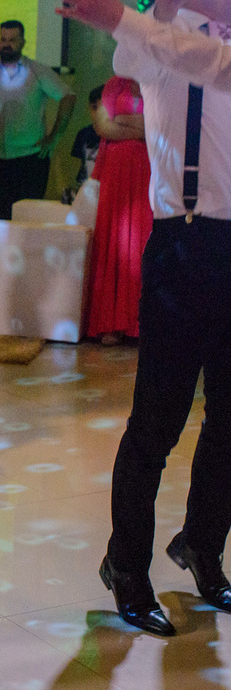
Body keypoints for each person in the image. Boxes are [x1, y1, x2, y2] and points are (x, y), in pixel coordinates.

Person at [58, 0, 231, 635]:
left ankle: (203, 546)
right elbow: (148, 49)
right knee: (157, 422)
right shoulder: (158, 39)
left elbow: (215, 64)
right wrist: (140, 14)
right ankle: (126, 567)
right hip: (183, 246)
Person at [0, 20, 77, 219]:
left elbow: (68, 96)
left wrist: (54, 136)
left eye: (12, 40)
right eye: (3, 39)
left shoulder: (36, 70)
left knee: (26, 220)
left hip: (31, 161)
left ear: (23, 42)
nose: (6, 44)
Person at [84, 76, 151, 346]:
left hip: (148, 169)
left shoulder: (159, 81)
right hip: (116, 171)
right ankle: (112, 323)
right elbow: (102, 125)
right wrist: (139, 128)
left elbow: (159, 129)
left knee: (142, 241)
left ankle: (140, 323)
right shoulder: (114, 84)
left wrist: (121, 121)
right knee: (115, 240)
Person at [70, 86, 104, 188]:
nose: (98, 112)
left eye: (103, 108)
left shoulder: (117, 135)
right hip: (86, 185)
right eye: (94, 107)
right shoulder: (84, 133)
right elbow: (78, 164)